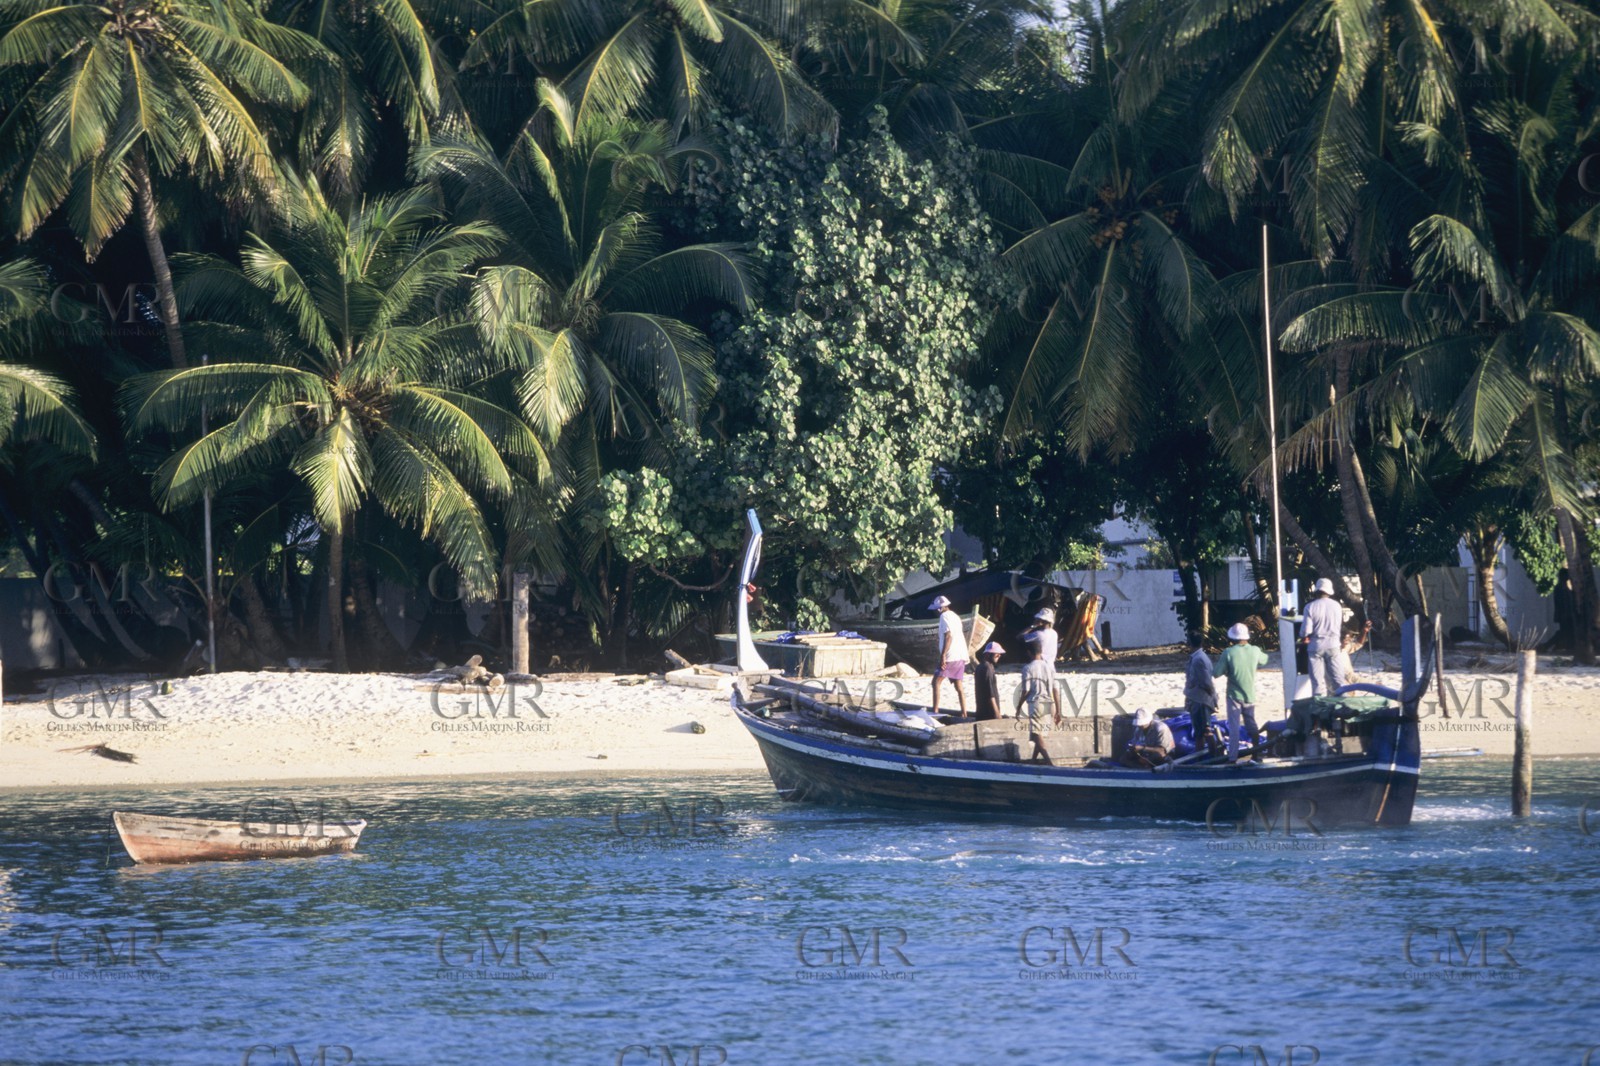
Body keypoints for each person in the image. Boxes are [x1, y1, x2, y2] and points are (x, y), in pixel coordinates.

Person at [1280, 578, 1346, 696]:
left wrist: (1303, 636)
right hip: (1334, 644)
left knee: (1317, 683)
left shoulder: (1310, 607)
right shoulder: (1337, 606)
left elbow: (1306, 630)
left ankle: (1319, 710)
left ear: (1317, 591)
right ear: (1329, 591)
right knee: (1338, 681)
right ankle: (1344, 706)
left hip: (1316, 646)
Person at [1213, 623, 1267, 763]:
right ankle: (1257, 753)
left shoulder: (1228, 652)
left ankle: (1232, 758)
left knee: (1234, 727)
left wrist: (1228, 671)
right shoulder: (1255, 650)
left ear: (1232, 638)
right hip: (1250, 695)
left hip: (1233, 696)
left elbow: (1216, 673)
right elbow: (1264, 659)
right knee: (1252, 724)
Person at [1012, 631, 1053, 763]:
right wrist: (1057, 708)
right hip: (1048, 702)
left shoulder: (1027, 668)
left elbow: (1026, 690)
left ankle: (1049, 762)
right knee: (1038, 734)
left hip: (1035, 704)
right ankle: (1033, 761)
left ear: (1029, 653)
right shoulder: (1049, 667)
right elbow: (1054, 689)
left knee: (1037, 734)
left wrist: (1018, 707)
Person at [929, 595, 969, 717]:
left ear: (939, 609)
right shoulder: (955, 616)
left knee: (936, 682)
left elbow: (949, 636)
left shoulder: (944, 616)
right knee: (958, 685)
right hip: (961, 654)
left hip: (951, 655)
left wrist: (943, 656)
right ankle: (964, 713)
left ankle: (935, 712)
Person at [1026, 606, 1064, 724]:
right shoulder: (1054, 634)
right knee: (1054, 690)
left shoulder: (1038, 634)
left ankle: (1045, 717)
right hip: (1051, 666)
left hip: (1040, 667)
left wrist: (1032, 626)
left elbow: (1020, 637)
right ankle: (1058, 712)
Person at [1182, 630, 1217, 754]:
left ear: (1190, 643)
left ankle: (1211, 756)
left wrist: (1213, 698)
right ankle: (1203, 757)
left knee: (1204, 731)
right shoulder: (1198, 657)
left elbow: (1206, 682)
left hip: (1200, 699)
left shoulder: (1199, 659)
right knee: (1201, 732)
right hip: (1198, 698)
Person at [974, 642, 1004, 721]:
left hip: (981, 713)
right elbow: (990, 694)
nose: (999, 655)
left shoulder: (980, 667)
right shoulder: (987, 668)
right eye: (996, 653)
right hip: (989, 714)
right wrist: (997, 713)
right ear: (987, 654)